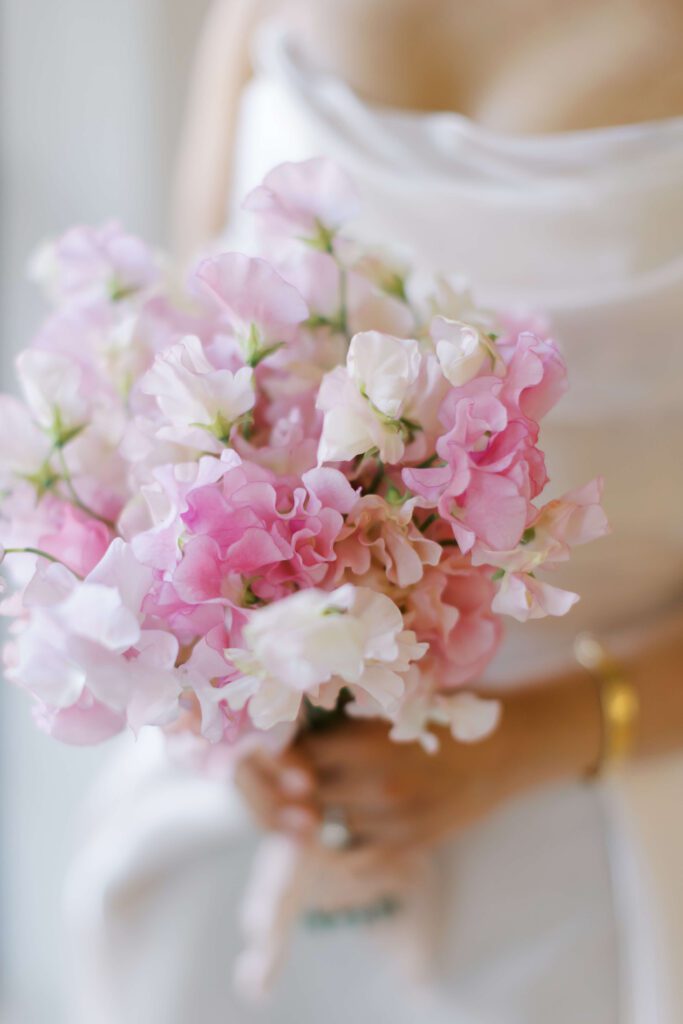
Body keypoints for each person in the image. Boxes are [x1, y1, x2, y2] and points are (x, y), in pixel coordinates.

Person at [67, 2, 683, 1022]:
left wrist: (528, 739)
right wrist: (238, 713)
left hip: (592, 841)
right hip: (249, 820)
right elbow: (185, 380)